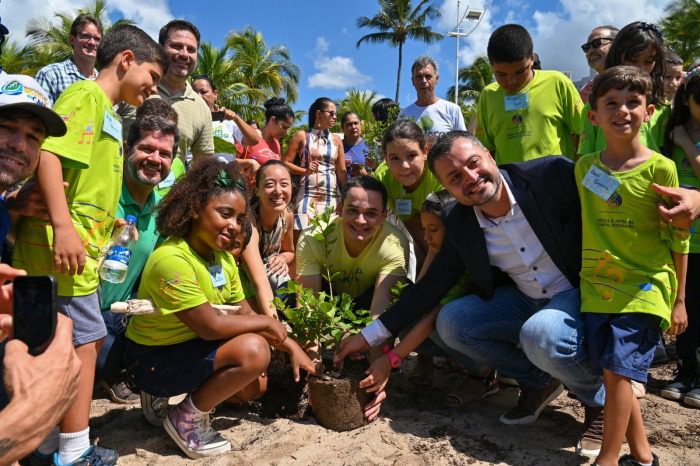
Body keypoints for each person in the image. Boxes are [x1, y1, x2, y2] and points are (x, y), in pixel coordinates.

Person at [335, 132, 605, 450]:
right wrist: (367, 337)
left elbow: (616, 186)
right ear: (447, 188)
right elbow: (431, 288)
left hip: (577, 291)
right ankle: (538, 381)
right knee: (452, 322)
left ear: (489, 154)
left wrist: (677, 198)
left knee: (541, 334)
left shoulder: (550, 175)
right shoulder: (460, 222)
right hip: (523, 298)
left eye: (473, 164)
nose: (471, 179)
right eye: (455, 178)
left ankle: (599, 400)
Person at [12, 25, 167, 466]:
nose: (152, 87)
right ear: (125, 62)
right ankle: (74, 448)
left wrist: (109, 218)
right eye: (151, 76)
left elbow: (86, 180)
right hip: (61, 250)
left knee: (58, 345)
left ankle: (43, 444)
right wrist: (62, 224)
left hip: (76, 248)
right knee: (87, 343)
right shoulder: (86, 98)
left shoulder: (111, 114)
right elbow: (50, 155)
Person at [124, 158, 314, 459]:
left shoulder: (221, 258)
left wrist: (291, 346)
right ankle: (184, 418)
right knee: (254, 350)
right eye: (225, 214)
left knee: (253, 389)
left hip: (186, 347)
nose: (233, 225)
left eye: (240, 218)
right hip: (149, 361)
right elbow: (210, 326)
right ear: (196, 208)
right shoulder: (173, 259)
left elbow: (244, 313)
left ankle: (187, 399)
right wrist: (267, 326)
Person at [578, 65, 689, 466]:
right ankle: (643, 457)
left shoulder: (662, 168)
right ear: (594, 116)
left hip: (646, 286)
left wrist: (679, 299)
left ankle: (608, 459)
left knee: (619, 372)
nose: (622, 110)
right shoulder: (584, 168)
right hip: (598, 286)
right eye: (612, 103)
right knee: (613, 373)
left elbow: (679, 237)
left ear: (650, 110)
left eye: (633, 102)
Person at [96, 98, 179, 404]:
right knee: (97, 357)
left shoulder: (162, 212)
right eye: (146, 148)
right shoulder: (103, 191)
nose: (155, 158)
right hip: (80, 311)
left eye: (164, 153)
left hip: (123, 318)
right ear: (127, 146)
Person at [297, 176, 409, 361]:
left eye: (371, 213)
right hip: (328, 302)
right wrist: (313, 359)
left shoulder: (394, 244)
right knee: (284, 298)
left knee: (406, 299)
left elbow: (380, 312)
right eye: (352, 211)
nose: (360, 221)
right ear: (339, 209)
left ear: (384, 217)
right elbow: (308, 303)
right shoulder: (314, 237)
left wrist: (376, 368)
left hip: (367, 303)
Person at [120, 20, 214, 195]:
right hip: (117, 194)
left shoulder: (201, 109)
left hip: (166, 203)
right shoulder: (136, 86)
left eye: (191, 49)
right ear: (160, 48)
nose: (184, 54)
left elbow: (202, 167)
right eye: (177, 46)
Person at [475, 24, 583, 164]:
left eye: (520, 72)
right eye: (501, 74)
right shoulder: (488, 95)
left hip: (557, 180)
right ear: (491, 67)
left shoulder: (558, 83)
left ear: (532, 59)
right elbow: (487, 149)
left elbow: (583, 134)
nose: (512, 81)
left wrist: (578, 174)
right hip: (510, 183)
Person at [661, 67, 700, 408]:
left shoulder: (682, 138)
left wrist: (688, 144)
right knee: (684, 308)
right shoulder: (669, 131)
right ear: (687, 99)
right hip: (681, 239)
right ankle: (686, 371)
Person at [579, 21, 669, 156]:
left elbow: (666, 157)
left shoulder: (662, 108)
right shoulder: (594, 106)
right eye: (632, 60)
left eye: (648, 61)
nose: (640, 68)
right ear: (618, 56)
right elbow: (585, 159)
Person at [373, 119, 442, 269]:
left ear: (425, 152)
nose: (404, 166)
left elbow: (444, 236)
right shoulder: (383, 179)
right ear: (386, 158)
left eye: (411, 156)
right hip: (411, 222)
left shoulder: (439, 174)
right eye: (395, 158)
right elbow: (413, 227)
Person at [284, 97, 348, 235]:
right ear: (318, 114)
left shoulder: (337, 140)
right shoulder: (302, 136)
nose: (335, 117)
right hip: (307, 195)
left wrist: (346, 196)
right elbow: (285, 163)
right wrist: (304, 171)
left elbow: (341, 172)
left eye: (336, 114)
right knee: (301, 237)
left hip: (332, 197)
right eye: (331, 113)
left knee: (330, 239)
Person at [249, 160, 295, 301]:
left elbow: (290, 252)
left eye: (284, 184)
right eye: (269, 184)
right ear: (257, 190)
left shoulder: (287, 216)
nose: (278, 191)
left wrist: (282, 258)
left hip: (271, 272)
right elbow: (256, 275)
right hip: (247, 274)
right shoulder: (250, 219)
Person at [35, 14, 102, 104]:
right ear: (72, 40)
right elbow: (39, 115)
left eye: (97, 39)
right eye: (85, 36)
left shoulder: (104, 82)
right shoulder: (51, 75)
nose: (92, 43)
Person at [399, 56, 466, 142]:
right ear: (413, 81)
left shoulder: (452, 110)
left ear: (436, 79)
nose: (423, 81)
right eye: (419, 77)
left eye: (428, 76)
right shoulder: (404, 114)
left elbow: (462, 143)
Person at [579, 25, 619, 104]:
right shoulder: (586, 92)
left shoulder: (638, 81)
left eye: (597, 43)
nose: (590, 51)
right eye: (586, 47)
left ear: (617, 45)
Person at [341, 111, 369, 178]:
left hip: (365, 186)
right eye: (349, 124)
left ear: (361, 125)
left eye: (356, 123)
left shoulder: (370, 146)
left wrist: (366, 175)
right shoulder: (337, 146)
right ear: (342, 128)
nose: (353, 127)